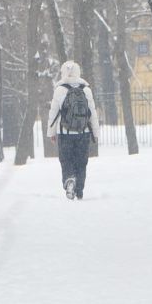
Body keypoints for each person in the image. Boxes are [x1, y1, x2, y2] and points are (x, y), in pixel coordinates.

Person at [47, 59, 100, 200]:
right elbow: (92, 113)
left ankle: (69, 179)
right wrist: (95, 133)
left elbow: (53, 113)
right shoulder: (86, 90)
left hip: (65, 133)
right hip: (83, 133)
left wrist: (51, 133)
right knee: (81, 162)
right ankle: (80, 190)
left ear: (63, 73)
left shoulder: (59, 90)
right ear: (78, 72)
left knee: (66, 160)